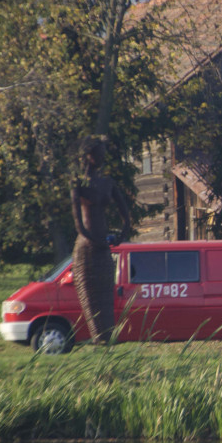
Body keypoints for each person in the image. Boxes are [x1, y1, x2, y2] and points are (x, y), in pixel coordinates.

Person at [72, 136, 130, 344]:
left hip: (103, 246)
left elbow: (125, 213)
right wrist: (91, 239)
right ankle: (99, 338)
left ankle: (107, 338)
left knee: (105, 294)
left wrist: (122, 235)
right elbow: (78, 221)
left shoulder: (107, 182)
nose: (102, 157)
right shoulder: (78, 182)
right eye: (99, 153)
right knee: (90, 296)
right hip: (86, 247)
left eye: (104, 153)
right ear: (88, 155)